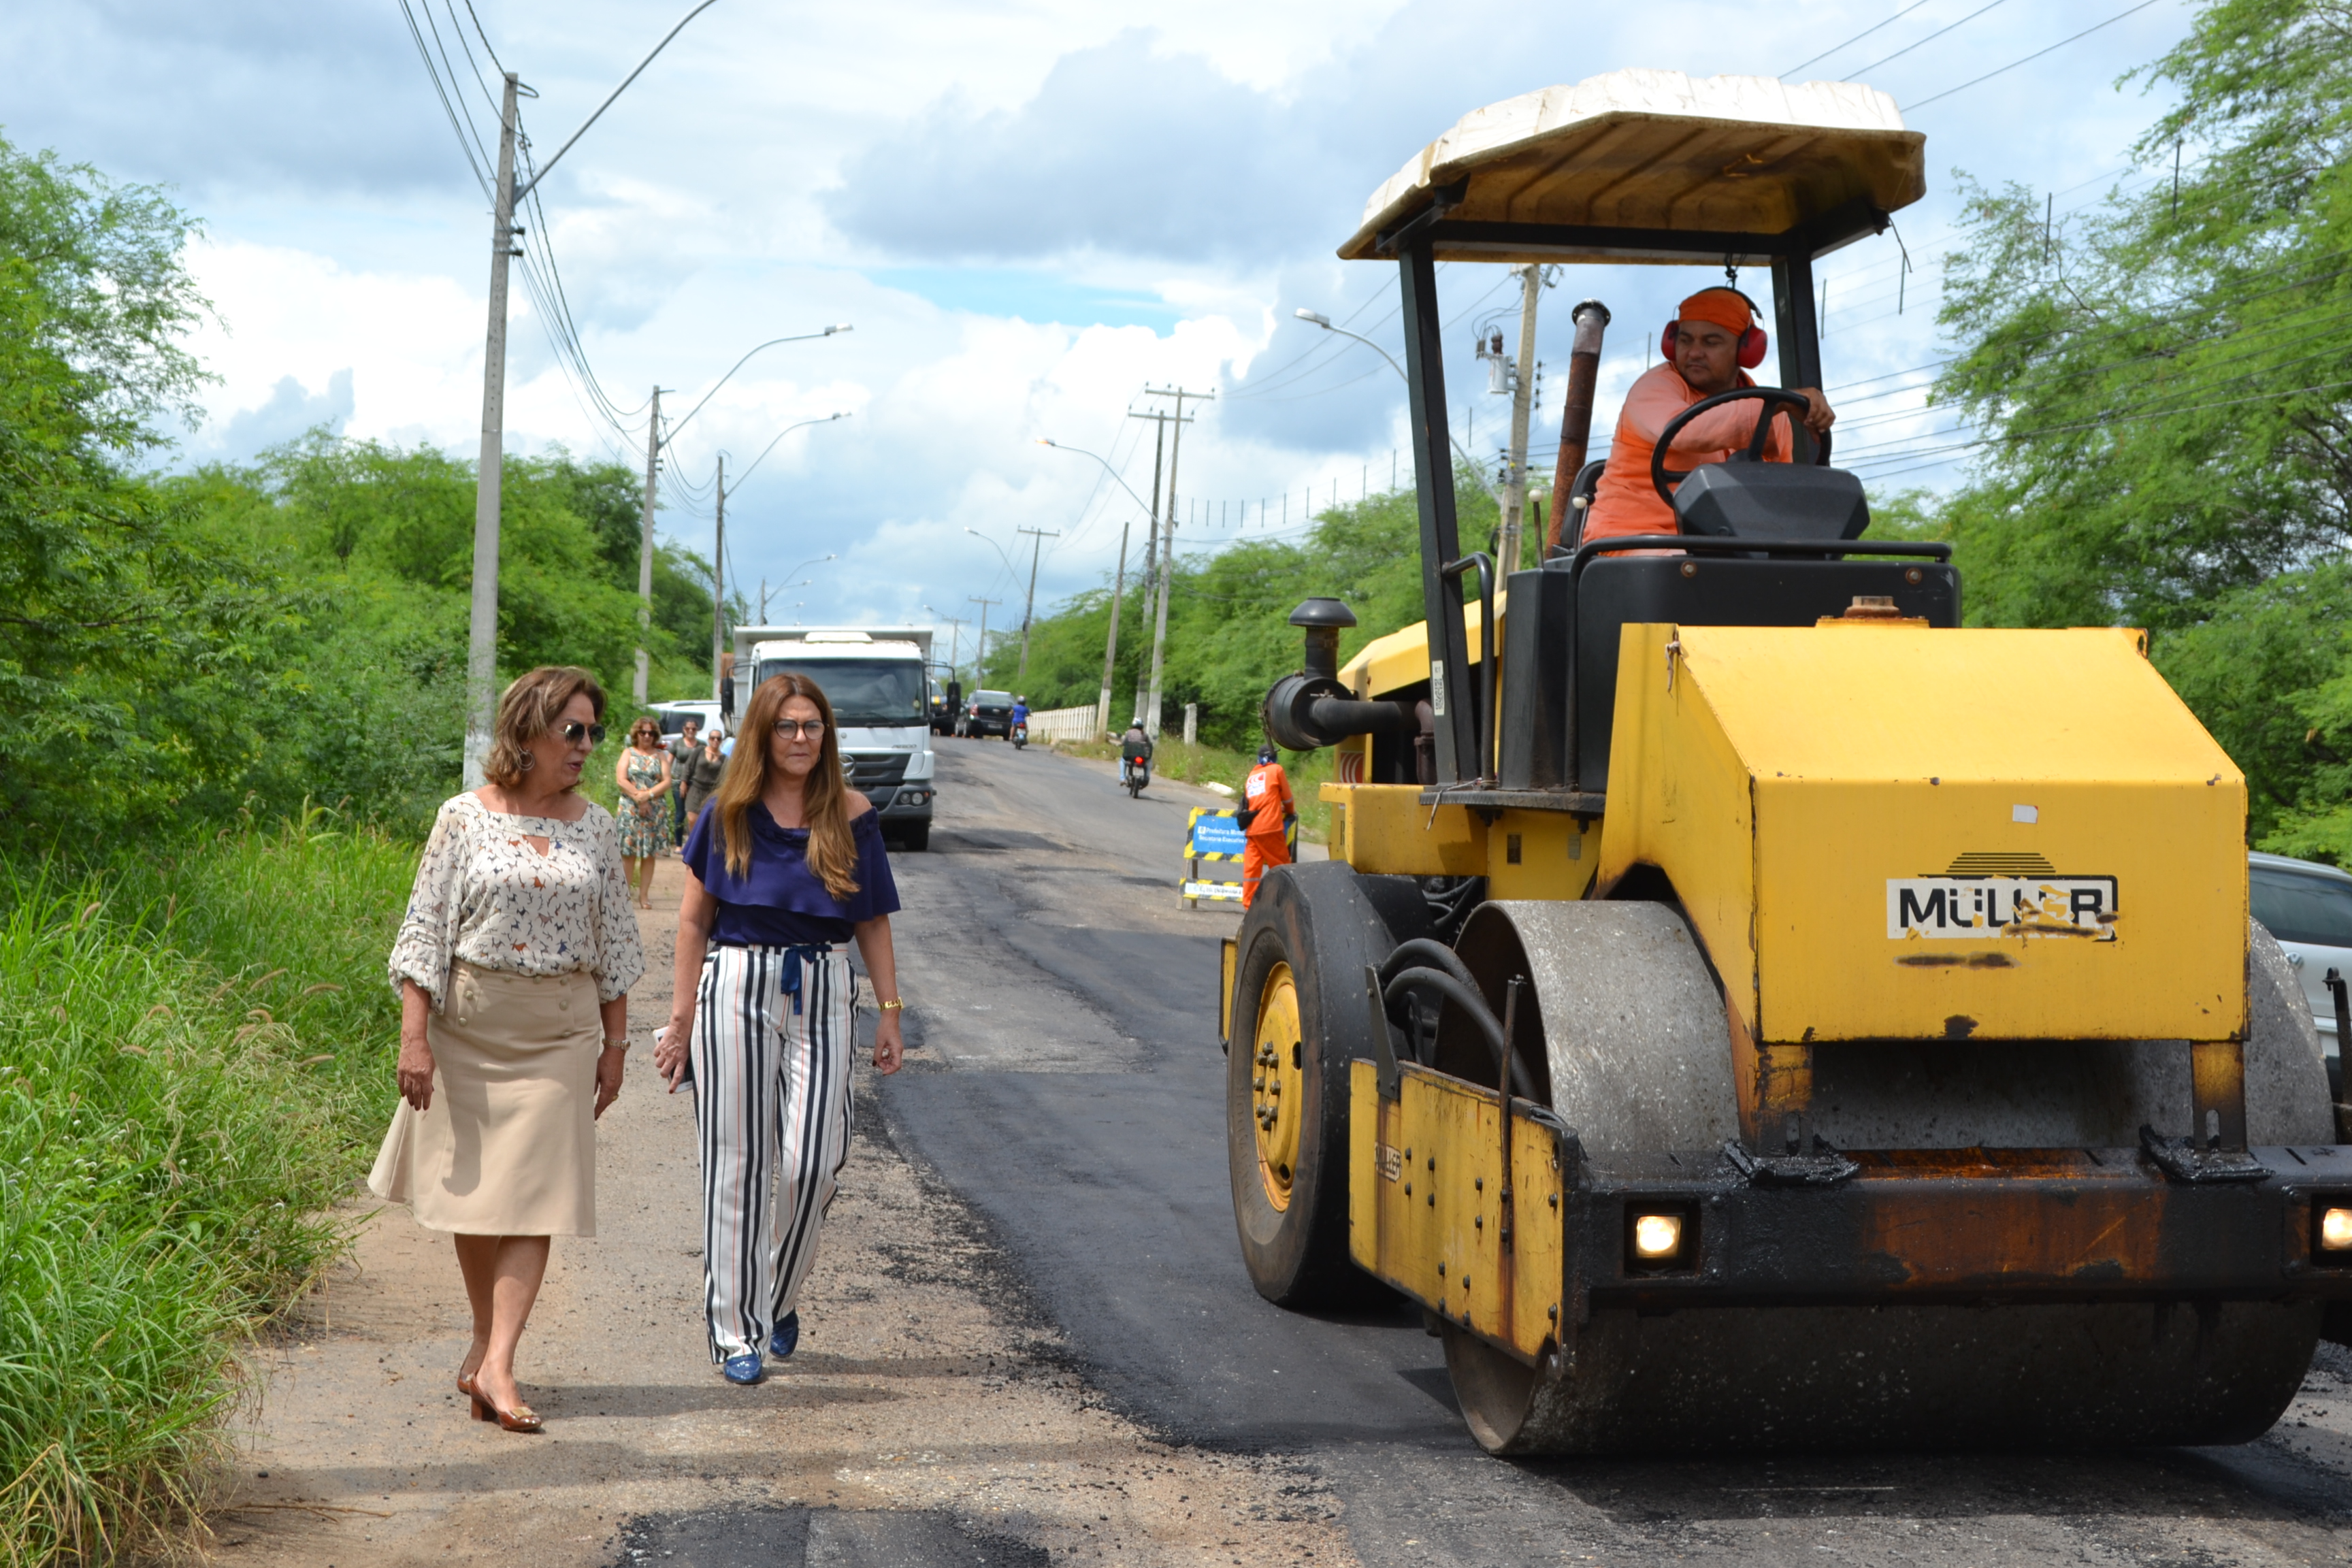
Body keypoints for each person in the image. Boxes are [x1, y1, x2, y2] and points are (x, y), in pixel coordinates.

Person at [371, 666, 645, 1433]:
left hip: (560, 1030)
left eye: (594, 732)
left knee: (539, 1196)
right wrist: (414, 1038)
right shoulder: (461, 818)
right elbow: (424, 930)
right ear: (527, 730)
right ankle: (484, 1345)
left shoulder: (596, 826)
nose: (587, 746)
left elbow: (615, 942)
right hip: (470, 1026)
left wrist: (615, 1045)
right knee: (479, 1194)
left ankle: (500, 1363)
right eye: (574, 731)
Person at [654, 673, 906, 1386]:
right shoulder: (724, 813)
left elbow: (872, 921)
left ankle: (776, 1295)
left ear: (827, 736)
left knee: (813, 1162)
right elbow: (692, 922)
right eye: (787, 726)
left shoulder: (850, 814)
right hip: (736, 984)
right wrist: (678, 1024)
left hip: (823, 986)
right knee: (735, 1165)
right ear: (762, 735)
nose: (801, 738)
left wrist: (889, 1014)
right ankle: (736, 1332)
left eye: (813, 727)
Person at [1580, 287, 1836, 547]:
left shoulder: (1771, 410)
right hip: (1634, 540)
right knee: (1685, 578)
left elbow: (1780, 490)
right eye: (1686, 340)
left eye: (1711, 342)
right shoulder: (1654, 388)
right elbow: (1688, 432)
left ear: (1746, 351)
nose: (1694, 352)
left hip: (1726, 546)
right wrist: (1779, 402)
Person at [615, 717, 674, 909]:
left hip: (654, 810)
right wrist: (638, 797)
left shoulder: (660, 755)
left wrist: (647, 795)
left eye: (650, 733)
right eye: (643, 732)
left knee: (649, 854)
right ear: (636, 734)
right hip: (630, 809)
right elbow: (621, 779)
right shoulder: (628, 753)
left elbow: (666, 781)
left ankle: (644, 896)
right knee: (628, 853)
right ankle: (624, 896)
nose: (647, 736)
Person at [1239, 742, 1295, 909]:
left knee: (1251, 872)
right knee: (1282, 867)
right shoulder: (1276, 770)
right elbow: (1288, 799)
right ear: (1272, 758)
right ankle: (1286, 903)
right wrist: (1290, 811)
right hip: (1270, 827)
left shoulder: (1252, 775)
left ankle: (1249, 906)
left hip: (1253, 830)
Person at [680, 725, 727, 843]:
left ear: (721, 741)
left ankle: (702, 846)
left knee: (708, 822)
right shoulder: (699, 751)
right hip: (696, 788)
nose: (715, 740)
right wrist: (683, 782)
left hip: (711, 791)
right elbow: (689, 767)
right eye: (713, 738)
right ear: (709, 739)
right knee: (692, 819)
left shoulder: (724, 758)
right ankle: (692, 844)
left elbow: (725, 777)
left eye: (718, 738)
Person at [668, 717, 702, 843]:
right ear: (684, 729)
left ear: (697, 730)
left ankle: (693, 842)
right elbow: (669, 762)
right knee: (680, 813)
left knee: (694, 814)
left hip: (696, 783)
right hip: (678, 782)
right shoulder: (677, 744)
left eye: (693, 729)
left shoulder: (702, 745)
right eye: (688, 728)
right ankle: (678, 843)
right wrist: (665, 777)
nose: (691, 731)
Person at [1119, 721, 1152, 786]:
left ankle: (1123, 779)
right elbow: (1149, 744)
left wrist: (1121, 744)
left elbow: (1124, 742)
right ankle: (1147, 777)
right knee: (1149, 762)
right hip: (1142, 756)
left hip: (1130, 756)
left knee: (1122, 761)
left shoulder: (1129, 733)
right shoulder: (1145, 734)